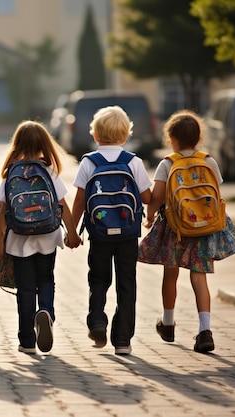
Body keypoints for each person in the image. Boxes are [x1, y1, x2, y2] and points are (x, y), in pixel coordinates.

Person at [138, 109, 235, 353]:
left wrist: (151, 214)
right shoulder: (209, 161)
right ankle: (205, 330)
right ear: (198, 137)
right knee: (199, 276)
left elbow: (158, 196)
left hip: (176, 227)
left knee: (170, 273)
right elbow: (215, 193)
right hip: (204, 228)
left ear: (171, 138)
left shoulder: (167, 164)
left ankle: (168, 322)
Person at [71, 106, 152, 356]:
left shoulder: (88, 162)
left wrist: (72, 231)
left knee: (98, 279)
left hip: (99, 233)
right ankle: (123, 340)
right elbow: (147, 197)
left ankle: (97, 321)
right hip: (128, 233)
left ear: (95, 135)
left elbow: (80, 201)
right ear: (126, 135)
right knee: (126, 283)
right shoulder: (134, 162)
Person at [0, 120, 82, 354]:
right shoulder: (49, 172)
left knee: (25, 289)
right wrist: (72, 234)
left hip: (18, 239)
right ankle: (45, 312)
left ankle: (26, 340)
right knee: (46, 279)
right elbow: (63, 206)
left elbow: (1, 211)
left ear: (17, 144)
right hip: (48, 235)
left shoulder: (10, 173)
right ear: (45, 144)